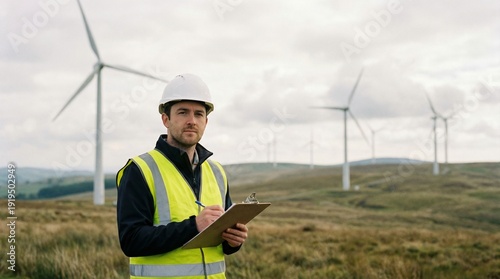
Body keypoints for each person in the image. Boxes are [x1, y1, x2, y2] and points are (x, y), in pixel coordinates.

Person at [116, 73, 248, 279]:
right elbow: (131, 240)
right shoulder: (140, 169)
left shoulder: (217, 172)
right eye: (183, 113)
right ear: (165, 119)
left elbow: (221, 241)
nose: (191, 121)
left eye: (198, 114)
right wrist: (193, 226)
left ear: (206, 121)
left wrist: (233, 241)